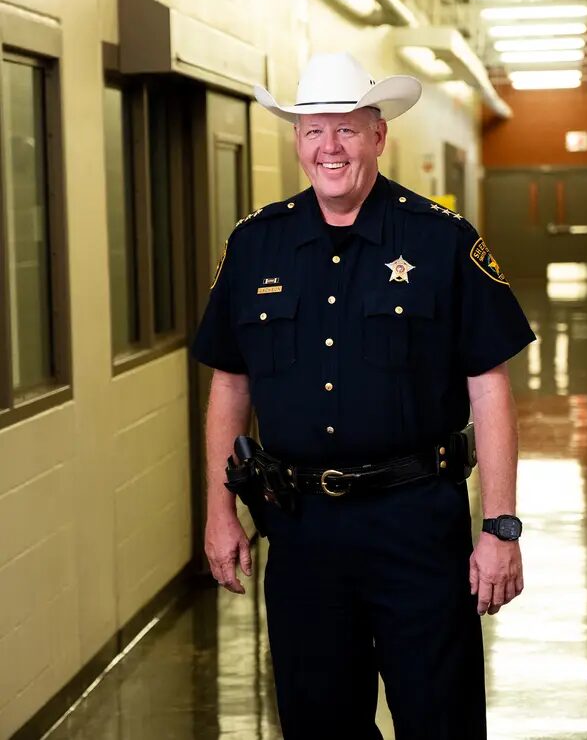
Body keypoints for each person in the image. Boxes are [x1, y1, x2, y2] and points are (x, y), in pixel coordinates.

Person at [192, 52, 535, 738]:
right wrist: (218, 511)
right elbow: (229, 383)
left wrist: (500, 527)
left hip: (417, 526)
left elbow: (489, 388)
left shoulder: (441, 241)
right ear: (296, 140)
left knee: (440, 720)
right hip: (301, 532)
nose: (330, 147)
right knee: (320, 724)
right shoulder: (256, 246)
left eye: (346, 129)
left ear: (379, 135)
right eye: (314, 130)